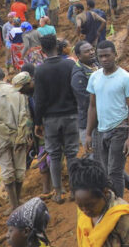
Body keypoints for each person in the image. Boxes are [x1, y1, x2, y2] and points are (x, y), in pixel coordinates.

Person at [86, 41, 129, 208]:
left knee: (115, 172)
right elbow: (92, 106)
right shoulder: (95, 77)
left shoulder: (125, 78)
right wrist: (89, 133)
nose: (104, 59)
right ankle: (116, 201)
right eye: (101, 56)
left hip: (120, 129)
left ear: (115, 55)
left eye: (107, 55)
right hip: (100, 130)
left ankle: (117, 207)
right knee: (103, 171)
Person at [32, 34, 80, 204]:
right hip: (71, 115)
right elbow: (76, 89)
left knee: (54, 154)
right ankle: (74, 190)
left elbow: (39, 99)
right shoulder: (69, 64)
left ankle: (58, 192)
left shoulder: (40, 70)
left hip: (50, 119)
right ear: (57, 46)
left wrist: (37, 122)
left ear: (42, 50)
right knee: (72, 153)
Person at [71, 158, 129, 247]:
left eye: (91, 205)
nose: (85, 210)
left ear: (105, 193)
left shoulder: (122, 218)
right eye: (80, 206)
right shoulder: (84, 211)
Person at [0, 67, 31, 210]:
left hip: (0, 138)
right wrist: (18, 135)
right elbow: (24, 114)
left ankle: (13, 205)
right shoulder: (17, 91)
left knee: (7, 171)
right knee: (20, 169)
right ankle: (18, 200)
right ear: (4, 76)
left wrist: (8, 133)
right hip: (19, 136)